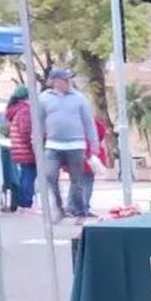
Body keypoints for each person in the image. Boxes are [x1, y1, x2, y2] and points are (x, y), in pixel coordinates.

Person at [39, 68, 98, 220]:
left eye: (69, 79)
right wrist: (36, 139)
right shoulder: (44, 98)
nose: (68, 82)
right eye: (65, 79)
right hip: (53, 145)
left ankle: (80, 210)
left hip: (75, 145)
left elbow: (88, 122)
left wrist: (94, 142)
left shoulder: (79, 98)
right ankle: (59, 208)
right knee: (50, 176)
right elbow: (38, 121)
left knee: (77, 181)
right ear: (55, 82)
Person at [5, 86, 36, 209]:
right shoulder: (25, 111)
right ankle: (25, 202)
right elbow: (26, 131)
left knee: (25, 174)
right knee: (29, 176)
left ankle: (23, 201)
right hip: (27, 150)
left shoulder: (15, 110)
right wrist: (34, 147)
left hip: (19, 149)